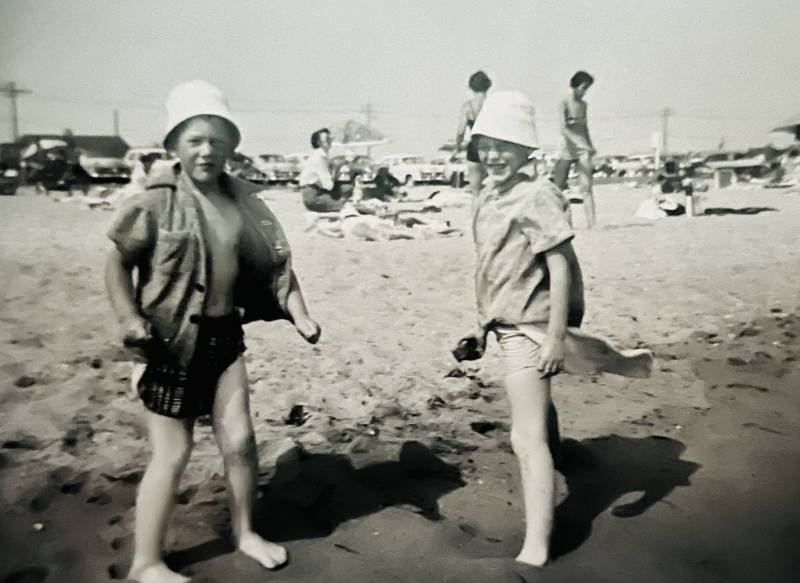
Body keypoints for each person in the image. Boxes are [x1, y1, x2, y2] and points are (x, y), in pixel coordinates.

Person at [105, 80, 321, 583]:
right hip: (169, 341)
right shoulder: (155, 201)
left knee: (241, 440)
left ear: (231, 146)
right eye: (196, 139)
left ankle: (246, 533)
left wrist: (300, 313)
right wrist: (128, 319)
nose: (208, 150)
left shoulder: (242, 200)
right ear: (173, 144)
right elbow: (117, 262)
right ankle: (146, 563)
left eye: (218, 141)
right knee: (174, 452)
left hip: (225, 338)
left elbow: (276, 266)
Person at [454, 91, 652, 566]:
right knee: (538, 411)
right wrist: (482, 328)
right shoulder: (486, 198)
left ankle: (538, 547)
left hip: (534, 327)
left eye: (506, 145)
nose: (495, 154)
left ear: (527, 151)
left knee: (525, 437)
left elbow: (560, 266)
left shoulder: (537, 194)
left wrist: (558, 337)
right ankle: (558, 456)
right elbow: (492, 270)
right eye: (486, 144)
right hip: (505, 323)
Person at [551, 71, 597, 228]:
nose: (585, 91)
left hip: (582, 148)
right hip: (566, 148)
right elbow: (563, 129)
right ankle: (562, 223)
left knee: (586, 187)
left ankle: (592, 224)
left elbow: (585, 128)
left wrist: (589, 146)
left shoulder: (583, 105)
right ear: (575, 86)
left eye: (587, 88)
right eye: (583, 87)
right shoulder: (564, 103)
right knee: (559, 187)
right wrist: (579, 143)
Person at [450, 70, 492, 197]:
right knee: (492, 189)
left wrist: (457, 149)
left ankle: (476, 215)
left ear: (471, 87)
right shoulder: (492, 104)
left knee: (476, 191)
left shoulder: (467, 107)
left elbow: (461, 131)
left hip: (474, 146)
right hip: (491, 146)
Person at [298, 127, 353, 212]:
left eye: (330, 138)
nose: (331, 140)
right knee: (348, 203)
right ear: (319, 142)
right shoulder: (320, 157)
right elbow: (328, 185)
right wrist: (338, 168)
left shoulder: (319, 155)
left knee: (347, 189)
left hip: (313, 194)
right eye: (327, 138)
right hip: (314, 197)